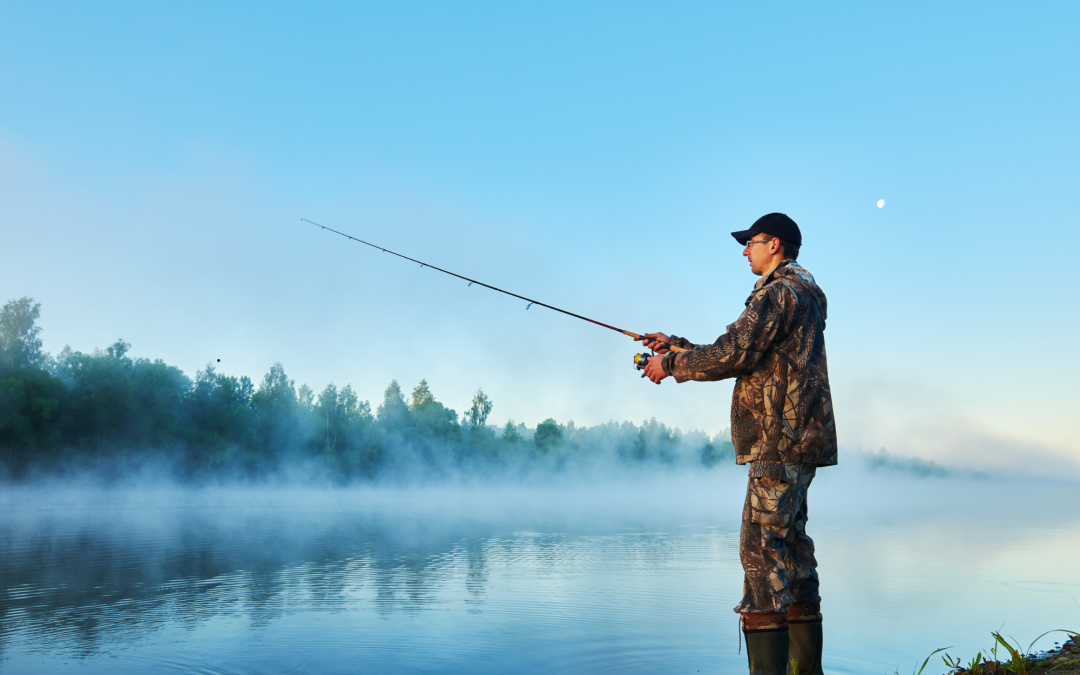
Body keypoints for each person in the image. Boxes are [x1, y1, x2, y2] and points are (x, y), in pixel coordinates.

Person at [641, 212, 836, 675]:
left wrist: (671, 366)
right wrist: (678, 345)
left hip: (778, 441)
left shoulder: (779, 292)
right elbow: (753, 352)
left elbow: (735, 353)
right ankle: (805, 671)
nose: (744, 250)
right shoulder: (799, 293)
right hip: (800, 440)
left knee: (760, 551)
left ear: (776, 244)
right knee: (790, 549)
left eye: (751, 242)